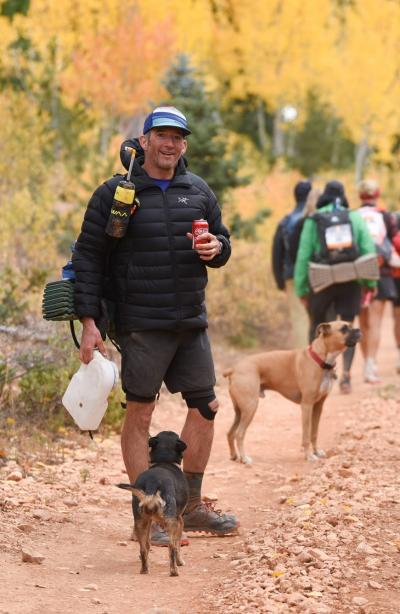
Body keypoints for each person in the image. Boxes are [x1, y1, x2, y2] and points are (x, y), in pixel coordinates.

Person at [72, 106, 238, 546]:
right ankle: (148, 512)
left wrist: (215, 247)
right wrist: (89, 322)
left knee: (206, 408)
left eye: (178, 137)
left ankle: (191, 507)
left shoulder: (198, 190)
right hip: (141, 323)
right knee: (140, 412)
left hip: (190, 320)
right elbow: (87, 258)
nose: (170, 144)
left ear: (184, 144)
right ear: (144, 141)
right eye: (161, 135)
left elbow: (224, 243)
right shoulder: (115, 193)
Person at [294, 180, 377, 394]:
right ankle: (346, 377)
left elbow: (303, 256)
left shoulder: (314, 219)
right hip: (350, 282)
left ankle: (314, 375)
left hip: (321, 282)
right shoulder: (354, 217)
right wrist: (369, 283)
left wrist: (302, 289)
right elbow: (368, 250)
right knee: (347, 328)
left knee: (318, 326)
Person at [357, 179, 399, 382]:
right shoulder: (385, 216)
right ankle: (370, 366)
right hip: (381, 273)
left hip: (357, 273)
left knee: (362, 322)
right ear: (377, 194)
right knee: (375, 323)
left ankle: (366, 361)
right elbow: (393, 243)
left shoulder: (353, 216)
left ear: (360, 196)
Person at [272, 180, 312, 347]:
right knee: (318, 317)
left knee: (299, 319)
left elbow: (276, 253)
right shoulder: (314, 219)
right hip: (316, 275)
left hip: (292, 276)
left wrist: (280, 281)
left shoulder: (285, 221)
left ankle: (303, 360)